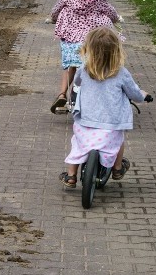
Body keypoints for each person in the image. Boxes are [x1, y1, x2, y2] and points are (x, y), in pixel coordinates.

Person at [60, 27, 150, 189]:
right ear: (116, 51)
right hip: (111, 123)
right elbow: (134, 94)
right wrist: (143, 95)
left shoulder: (85, 69)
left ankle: (71, 175)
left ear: (89, 49)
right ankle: (117, 168)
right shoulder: (121, 73)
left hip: (86, 120)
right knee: (117, 142)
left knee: (79, 145)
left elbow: (78, 83)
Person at [49, 0, 121, 114]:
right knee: (97, 64)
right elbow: (110, 11)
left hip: (72, 42)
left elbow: (56, 9)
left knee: (70, 67)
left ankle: (62, 95)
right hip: (93, 41)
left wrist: (53, 18)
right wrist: (116, 18)